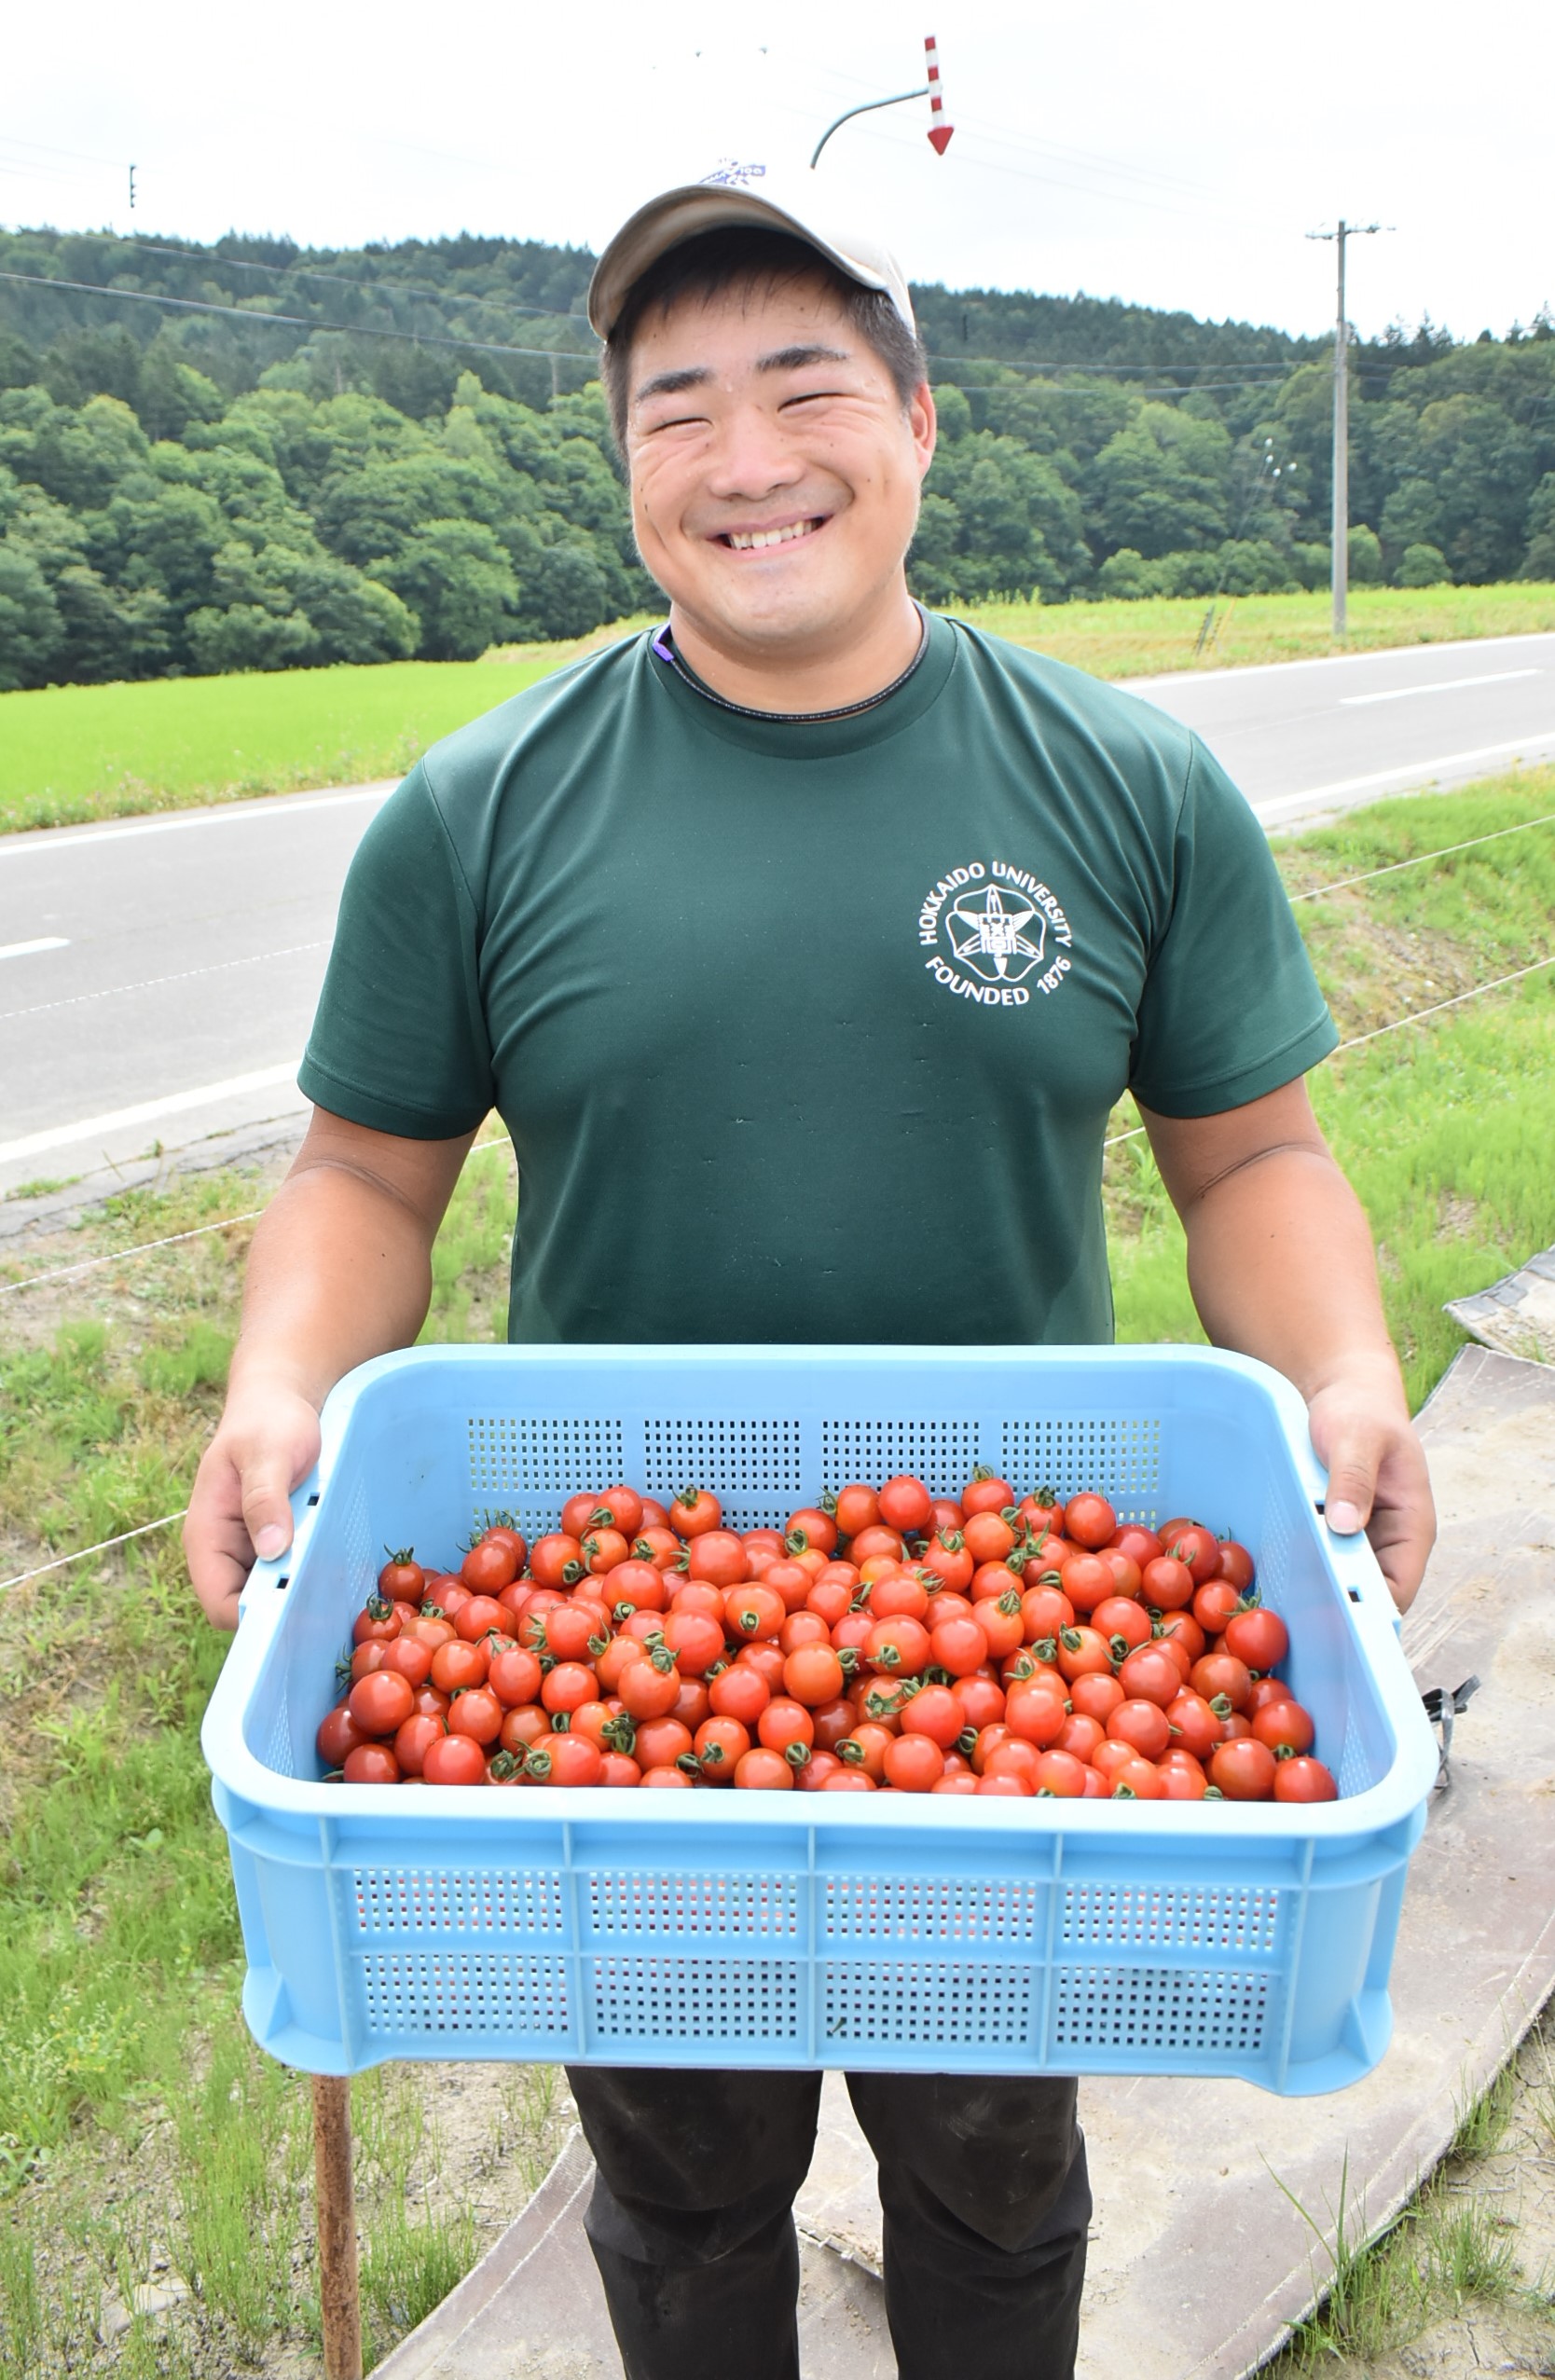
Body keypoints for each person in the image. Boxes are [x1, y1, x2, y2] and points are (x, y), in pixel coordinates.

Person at [186, 169, 1436, 2380]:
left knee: (989, 2160)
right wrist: (283, 1384)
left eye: (806, 386)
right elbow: (365, 1176)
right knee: (678, 2178)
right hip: (626, 1625)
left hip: (1017, 1635)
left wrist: (1340, 1365)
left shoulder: (1125, 779)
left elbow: (1251, 1148)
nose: (749, 458)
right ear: (626, 467)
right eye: (678, 411)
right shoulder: (478, 810)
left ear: (921, 422)